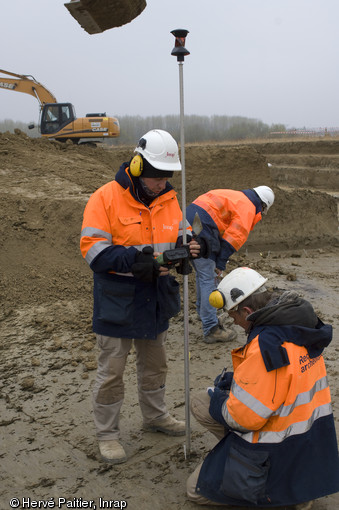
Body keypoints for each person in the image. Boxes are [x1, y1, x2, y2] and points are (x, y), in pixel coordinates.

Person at [80, 129, 201, 464]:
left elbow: (181, 234)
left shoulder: (170, 199)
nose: (161, 184)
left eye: (166, 177)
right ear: (136, 166)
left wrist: (189, 248)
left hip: (156, 296)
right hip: (118, 298)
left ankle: (155, 416)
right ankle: (107, 434)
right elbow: (94, 252)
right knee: (112, 371)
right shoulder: (105, 197)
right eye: (155, 177)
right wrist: (135, 262)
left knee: (155, 364)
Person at [187, 267, 339, 508]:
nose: (234, 323)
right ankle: (300, 487)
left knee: (196, 489)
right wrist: (238, 382)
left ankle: (276, 491)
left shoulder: (265, 346)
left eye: (233, 316)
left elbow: (244, 418)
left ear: (247, 311)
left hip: (278, 450)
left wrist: (218, 399)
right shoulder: (300, 324)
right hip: (311, 444)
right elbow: (283, 381)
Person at [186, 186, 275, 344]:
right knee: (209, 277)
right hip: (203, 227)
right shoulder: (247, 208)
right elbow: (232, 239)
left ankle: (204, 314)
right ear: (262, 206)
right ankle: (211, 328)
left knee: (203, 275)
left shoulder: (237, 197)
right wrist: (220, 263)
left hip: (190, 221)